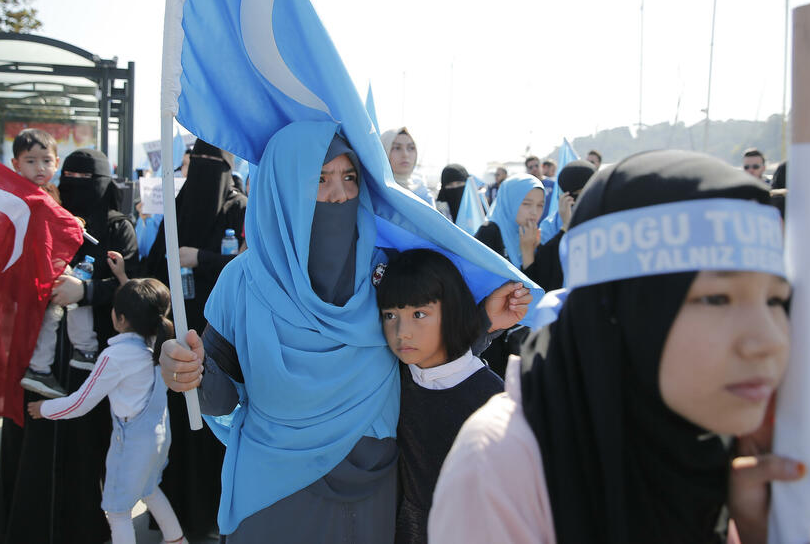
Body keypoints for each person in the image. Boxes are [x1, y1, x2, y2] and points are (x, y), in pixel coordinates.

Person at [158, 122, 529, 543]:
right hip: (275, 490)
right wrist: (191, 373)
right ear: (284, 187)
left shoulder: (383, 270)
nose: (339, 195)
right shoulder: (243, 281)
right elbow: (220, 391)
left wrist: (483, 321)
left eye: (349, 177)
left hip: (371, 490)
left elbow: (428, 354)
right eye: (319, 178)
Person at [429, 150, 805, 544]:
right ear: (622, 310)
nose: (768, 341)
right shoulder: (502, 468)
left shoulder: (739, 461)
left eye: (775, 301)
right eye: (717, 300)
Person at [0, 148, 140, 544]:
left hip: (91, 364)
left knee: (85, 452)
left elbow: (134, 286)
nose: (77, 190)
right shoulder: (41, 215)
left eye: (86, 182)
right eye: (69, 180)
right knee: (32, 451)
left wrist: (87, 290)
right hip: (36, 357)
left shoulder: (117, 227)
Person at [28, 278, 185, 544]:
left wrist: (44, 408)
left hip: (131, 444)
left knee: (117, 511)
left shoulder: (116, 356)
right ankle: (178, 540)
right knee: (150, 490)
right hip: (159, 436)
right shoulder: (158, 344)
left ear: (121, 318)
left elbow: (79, 403)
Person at [143, 140, 246, 539]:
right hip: (179, 340)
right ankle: (179, 513)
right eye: (197, 163)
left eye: (213, 164)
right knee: (181, 433)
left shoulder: (238, 207)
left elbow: (248, 261)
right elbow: (151, 266)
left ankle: (212, 518)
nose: (204, 172)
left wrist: (199, 258)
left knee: (214, 432)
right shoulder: (177, 202)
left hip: (221, 341)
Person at [376, 249, 504, 544]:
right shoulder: (394, 375)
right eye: (390, 315)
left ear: (452, 311)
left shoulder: (492, 402)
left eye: (419, 314)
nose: (402, 332)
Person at [8, 129, 93, 399]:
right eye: (30, 161)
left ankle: (46, 365)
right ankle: (83, 348)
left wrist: (68, 220)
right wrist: (69, 223)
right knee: (64, 300)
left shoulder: (50, 193)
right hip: (27, 272)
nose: (40, 168)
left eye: (46, 160)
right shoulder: (18, 194)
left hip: (46, 268)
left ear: (57, 162)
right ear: (16, 164)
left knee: (55, 313)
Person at [473, 173, 546, 375]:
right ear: (510, 201)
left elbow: (535, 295)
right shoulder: (490, 232)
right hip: (491, 340)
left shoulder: (529, 236)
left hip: (519, 340)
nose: (534, 212)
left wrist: (528, 252)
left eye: (540, 205)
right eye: (526, 204)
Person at [528, 159, 597, 292]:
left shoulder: (606, 216)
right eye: (579, 195)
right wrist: (566, 227)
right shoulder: (550, 226)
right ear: (566, 196)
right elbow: (546, 271)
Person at [380, 127, 435, 205]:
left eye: (411, 148)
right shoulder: (375, 193)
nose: (405, 154)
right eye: (397, 148)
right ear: (384, 151)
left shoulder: (423, 193)